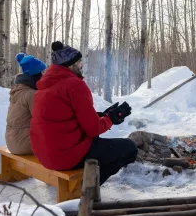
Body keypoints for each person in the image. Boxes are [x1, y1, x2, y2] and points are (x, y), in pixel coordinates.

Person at [30, 41, 138, 186]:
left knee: (102, 146)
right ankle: (87, 187)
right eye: (79, 62)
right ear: (70, 65)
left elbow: (66, 117)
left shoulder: (45, 86)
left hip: (45, 153)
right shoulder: (75, 85)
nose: (82, 65)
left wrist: (101, 115)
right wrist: (111, 118)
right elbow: (93, 130)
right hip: (65, 155)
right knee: (129, 148)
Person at [5, 53, 47, 155]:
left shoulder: (18, 90)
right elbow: (42, 120)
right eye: (42, 73)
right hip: (24, 144)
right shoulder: (31, 94)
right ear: (35, 75)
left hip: (11, 141)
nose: (44, 76)